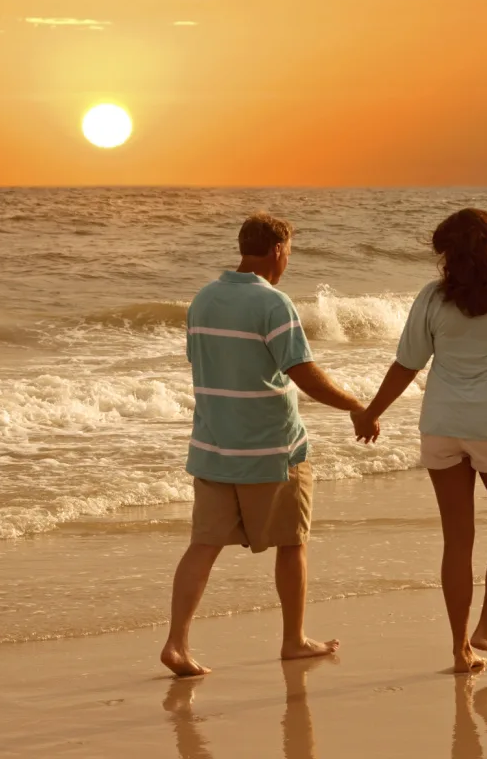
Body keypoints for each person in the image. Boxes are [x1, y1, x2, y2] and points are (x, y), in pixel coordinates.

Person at [161, 213, 379, 676]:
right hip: (272, 449)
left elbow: (204, 362)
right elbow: (304, 373)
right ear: (278, 249)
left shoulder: (203, 299)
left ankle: (176, 643)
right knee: (292, 543)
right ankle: (293, 640)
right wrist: (356, 406)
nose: (288, 260)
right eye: (290, 252)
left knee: (203, 546)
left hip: (213, 447)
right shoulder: (273, 303)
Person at [353, 208, 487, 674]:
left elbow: (407, 363)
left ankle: (460, 649)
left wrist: (372, 412)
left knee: (457, 540)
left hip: (441, 427)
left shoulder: (432, 298)